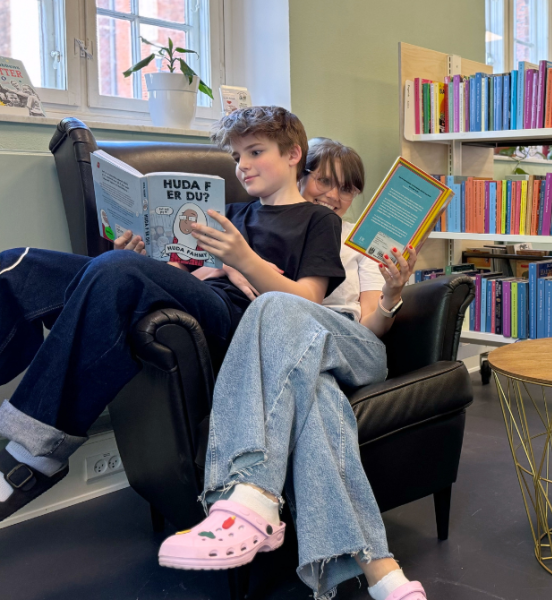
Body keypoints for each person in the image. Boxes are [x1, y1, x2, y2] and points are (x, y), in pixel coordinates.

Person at [0, 107, 346, 522]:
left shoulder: (318, 219)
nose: (243, 166)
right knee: (21, 266)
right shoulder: (228, 213)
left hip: (243, 321)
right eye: (237, 157)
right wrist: (137, 258)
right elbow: (182, 276)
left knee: (117, 270)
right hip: (195, 298)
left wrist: (243, 262)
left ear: (292, 154)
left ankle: (32, 456)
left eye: (255, 152)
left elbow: (308, 303)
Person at [157, 139, 429, 600]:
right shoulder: (272, 231)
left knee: (277, 305)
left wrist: (392, 292)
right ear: (302, 173)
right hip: (300, 357)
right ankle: (384, 574)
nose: (334, 195)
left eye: (347, 188)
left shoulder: (361, 241)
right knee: (316, 400)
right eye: (324, 180)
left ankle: (251, 494)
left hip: (353, 345)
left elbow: (372, 325)